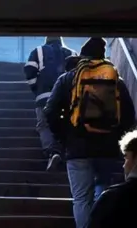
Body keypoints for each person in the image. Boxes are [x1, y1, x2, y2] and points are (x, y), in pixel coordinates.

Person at [45, 37, 137, 228]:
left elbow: (49, 111)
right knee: (102, 193)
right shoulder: (115, 80)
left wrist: (63, 135)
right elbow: (130, 115)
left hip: (77, 149)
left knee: (80, 199)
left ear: (82, 56)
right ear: (102, 56)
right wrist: (116, 135)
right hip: (107, 149)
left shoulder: (68, 78)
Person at [24, 37, 77, 171]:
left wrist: (36, 87)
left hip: (44, 96)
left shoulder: (38, 51)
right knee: (66, 123)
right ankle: (64, 151)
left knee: (44, 125)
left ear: (47, 39)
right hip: (67, 97)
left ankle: (52, 152)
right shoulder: (72, 53)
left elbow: (29, 70)